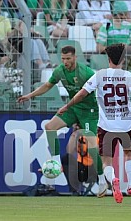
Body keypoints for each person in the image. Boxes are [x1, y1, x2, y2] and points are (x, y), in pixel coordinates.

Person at [57, 43, 131, 203]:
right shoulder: (129, 76)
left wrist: (67, 106)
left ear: (108, 58)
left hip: (107, 125)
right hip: (126, 124)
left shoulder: (99, 75)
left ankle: (113, 180)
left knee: (106, 159)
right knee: (129, 154)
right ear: (123, 59)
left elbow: (82, 94)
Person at [17, 45, 107, 197]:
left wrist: (67, 106)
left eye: (68, 58)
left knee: (92, 147)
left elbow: (91, 93)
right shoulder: (60, 71)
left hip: (89, 112)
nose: (65, 62)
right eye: (63, 59)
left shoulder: (86, 73)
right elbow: (47, 85)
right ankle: (56, 162)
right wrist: (30, 95)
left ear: (75, 57)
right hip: (73, 108)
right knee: (50, 126)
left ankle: (102, 180)